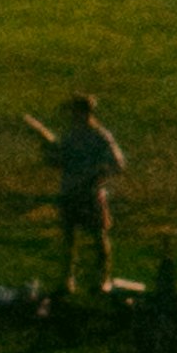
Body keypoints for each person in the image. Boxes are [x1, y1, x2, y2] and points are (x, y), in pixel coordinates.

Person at [22, 96, 125, 299]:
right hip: (70, 192)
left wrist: (95, 174)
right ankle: (67, 281)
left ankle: (102, 280)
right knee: (69, 240)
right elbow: (60, 161)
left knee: (98, 237)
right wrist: (46, 146)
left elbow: (117, 164)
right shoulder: (71, 136)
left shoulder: (99, 136)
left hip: (91, 194)